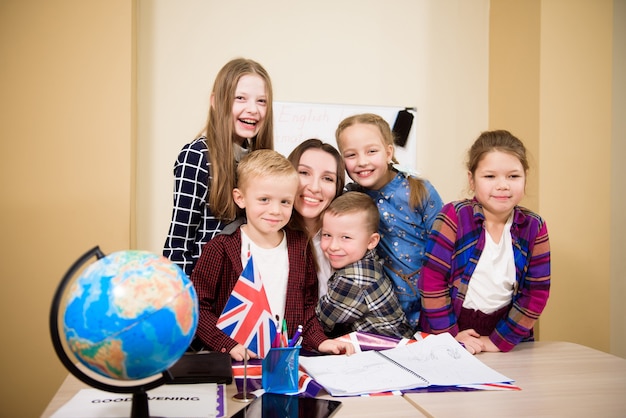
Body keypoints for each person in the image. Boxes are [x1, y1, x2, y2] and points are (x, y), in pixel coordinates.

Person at [190, 149, 355, 361]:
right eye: (264, 199)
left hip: (284, 361)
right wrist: (225, 344)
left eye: (285, 202)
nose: (276, 210)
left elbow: (306, 310)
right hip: (236, 362)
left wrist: (321, 341)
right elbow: (196, 306)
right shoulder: (221, 247)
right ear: (240, 198)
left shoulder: (299, 246)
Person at [418, 130, 550, 354]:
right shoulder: (454, 215)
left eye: (513, 176)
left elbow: (536, 292)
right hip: (448, 331)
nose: (502, 185)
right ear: (471, 179)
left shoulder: (534, 226)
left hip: (506, 335)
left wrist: (499, 341)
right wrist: (450, 336)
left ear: (525, 177)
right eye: (490, 176)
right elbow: (432, 281)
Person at [163, 58, 274, 276]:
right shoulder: (197, 155)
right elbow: (178, 244)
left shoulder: (257, 160)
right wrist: (189, 303)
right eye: (240, 98)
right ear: (216, 101)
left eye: (261, 101)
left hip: (246, 290)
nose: (253, 109)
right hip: (206, 292)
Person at [335, 113, 444, 329]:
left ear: (388, 152)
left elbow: (445, 251)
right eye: (351, 155)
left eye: (371, 151)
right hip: (380, 315)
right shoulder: (351, 200)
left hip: (429, 307)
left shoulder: (419, 190)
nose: (362, 161)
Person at [316, 192, 415, 339]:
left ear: (371, 241)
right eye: (327, 235)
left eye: (346, 237)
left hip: (391, 353)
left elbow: (322, 320)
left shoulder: (353, 279)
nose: (333, 246)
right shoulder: (369, 262)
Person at [287, 138, 345, 297]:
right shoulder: (270, 237)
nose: (314, 187)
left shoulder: (347, 241)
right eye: (304, 173)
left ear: (337, 188)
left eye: (327, 178)